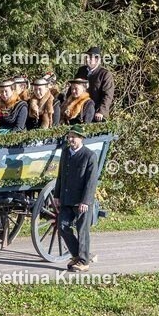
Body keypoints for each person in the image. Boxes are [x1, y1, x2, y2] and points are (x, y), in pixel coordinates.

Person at [56, 125, 98, 272]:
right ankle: (77, 255)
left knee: (82, 231)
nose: (71, 139)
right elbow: (60, 175)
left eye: (74, 137)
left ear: (81, 138)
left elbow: (91, 181)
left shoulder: (89, 156)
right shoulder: (66, 152)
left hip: (81, 201)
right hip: (66, 198)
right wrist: (57, 195)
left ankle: (84, 262)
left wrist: (85, 201)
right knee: (62, 227)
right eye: (69, 136)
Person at [74, 46, 114, 122]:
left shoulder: (105, 74)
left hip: (96, 114)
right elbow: (74, 88)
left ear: (97, 59)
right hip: (80, 110)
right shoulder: (81, 71)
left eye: (90, 57)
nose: (87, 59)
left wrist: (101, 111)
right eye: (87, 57)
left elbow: (108, 95)